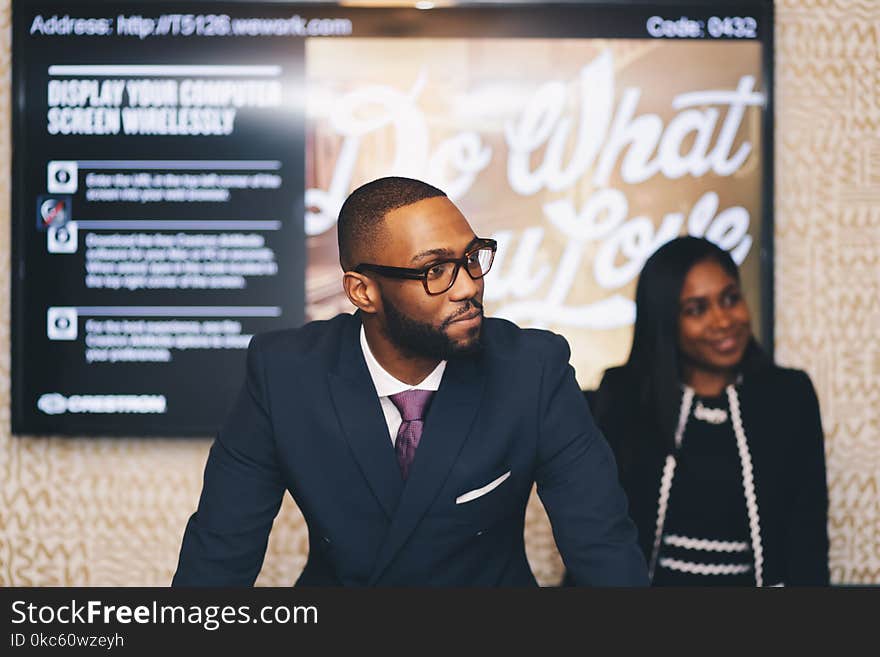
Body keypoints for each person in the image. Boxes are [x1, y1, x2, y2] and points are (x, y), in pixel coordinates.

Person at [173, 176, 647, 586]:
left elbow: (603, 546)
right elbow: (219, 554)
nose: (467, 286)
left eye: (472, 258)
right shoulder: (286, 374)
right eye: (435, 270)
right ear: (363, 291)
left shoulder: (532, 369)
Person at [589, 236, 829, 586]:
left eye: (731, 299)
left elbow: (808, 540)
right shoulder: (623, 397)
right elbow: (596, 535)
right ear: (665, 321)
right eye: (696, 309)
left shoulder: (789, 397)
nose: (723, 320)